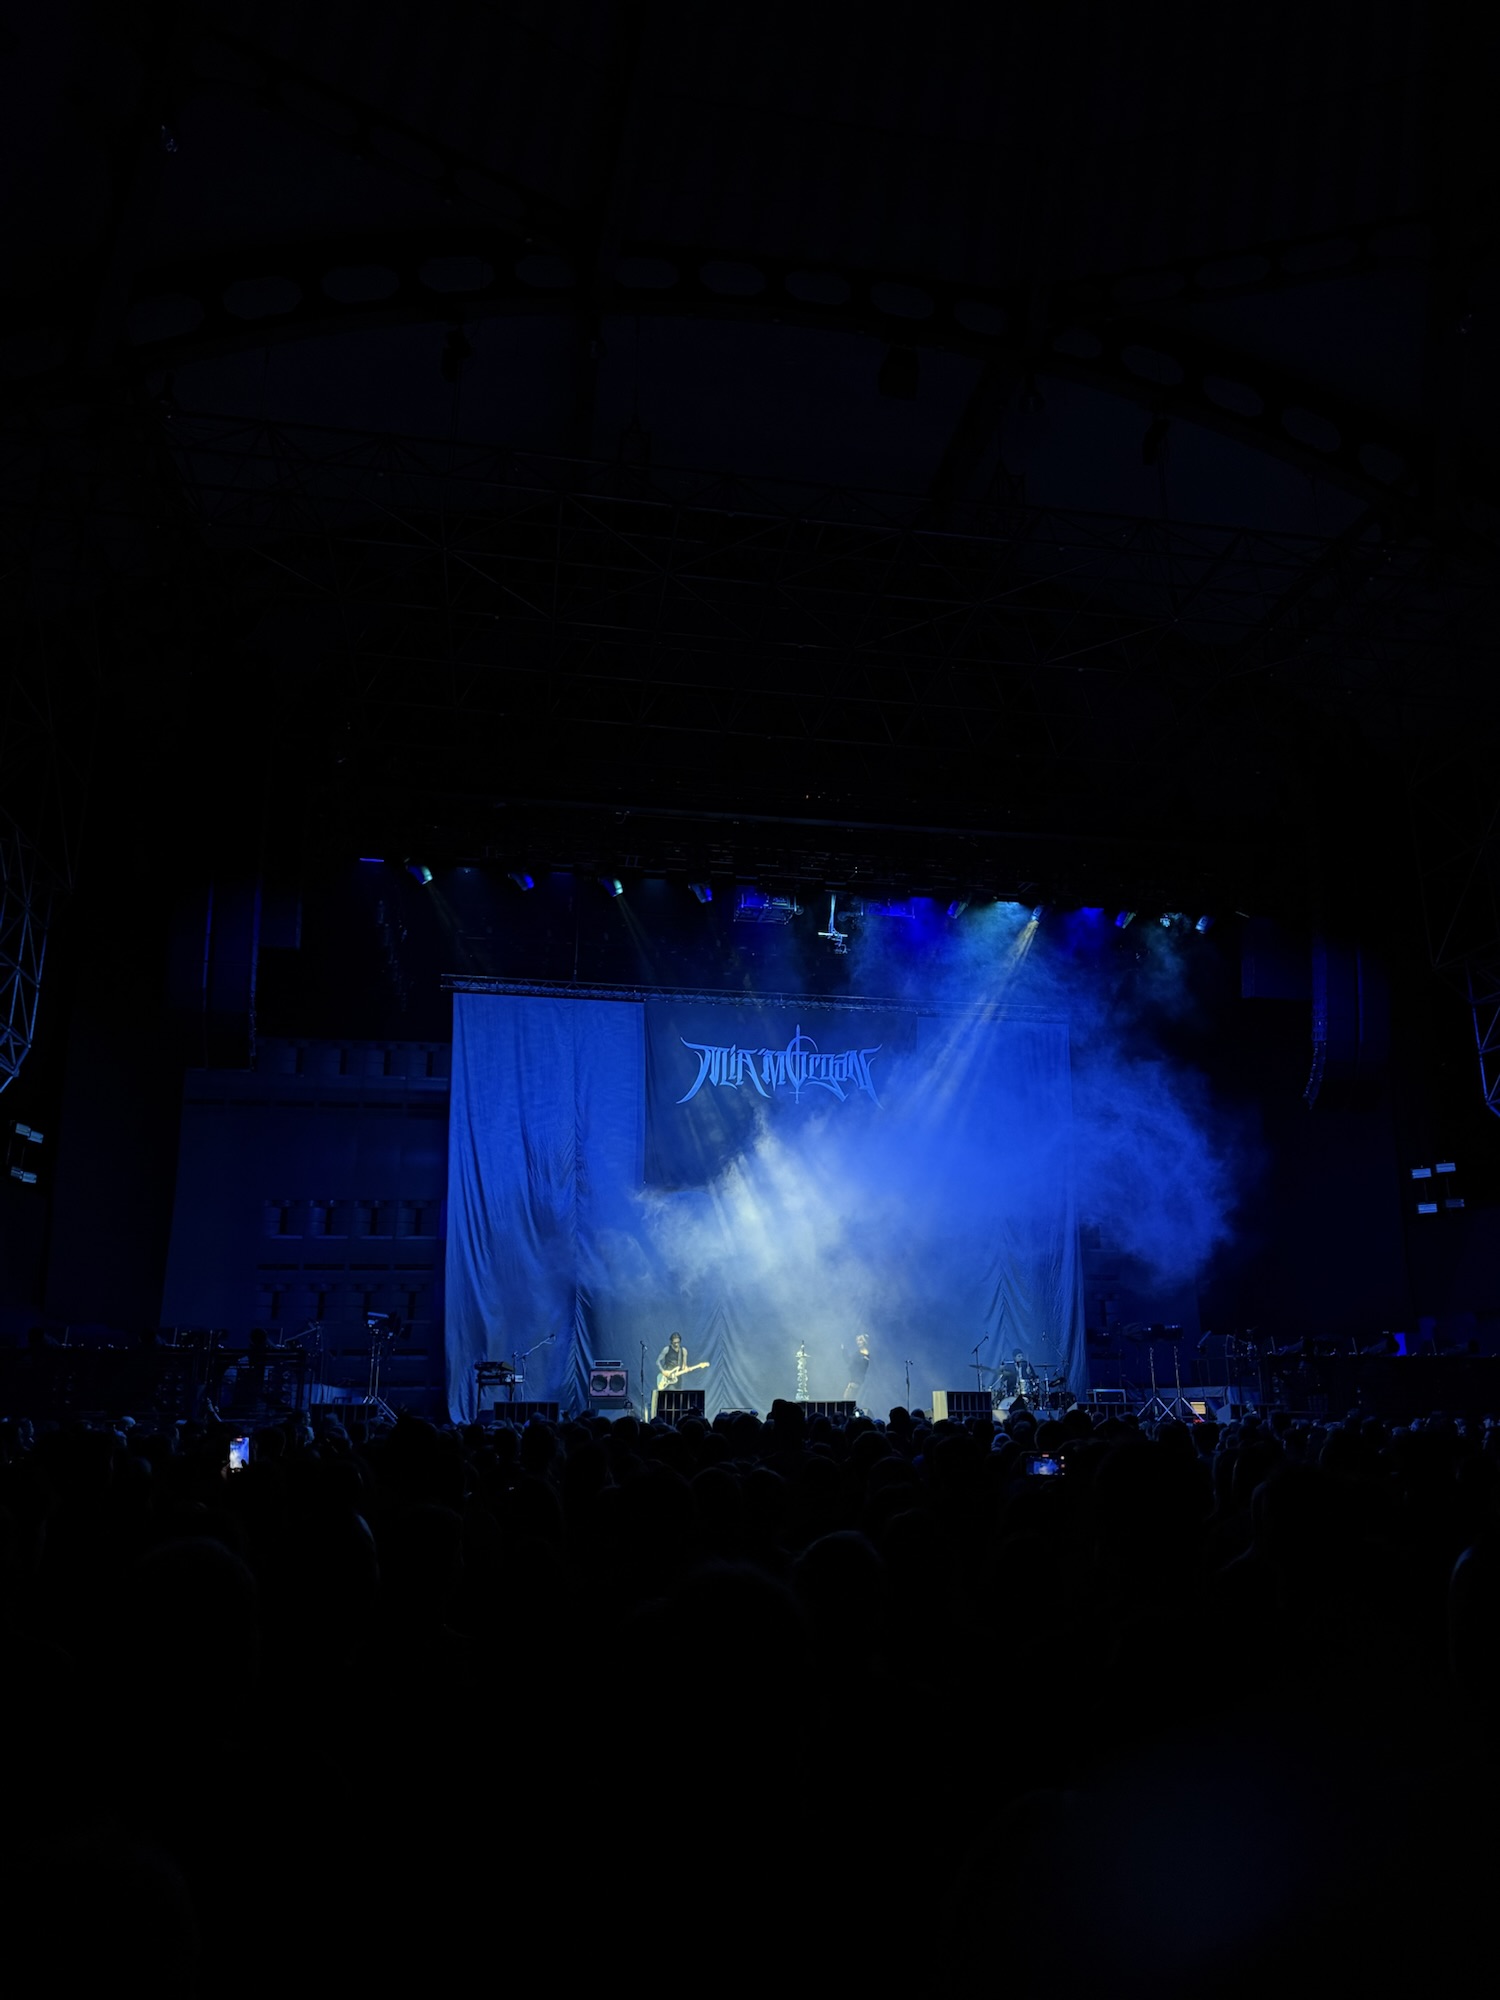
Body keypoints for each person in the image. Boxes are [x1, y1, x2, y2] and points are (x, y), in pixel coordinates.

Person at [843, 1330, 871, 1406]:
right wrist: (844, 1351)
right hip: (854, 1380)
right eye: (857, 1340)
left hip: (856, 1381)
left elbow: (859, 1369)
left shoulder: (864, 1355)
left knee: (848, 1400)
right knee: (847, 1400)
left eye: (860, 1340)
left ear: (864, 1341)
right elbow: (849, 1362)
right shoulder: (859, 1353)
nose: (858, 1342)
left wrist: (854, 1384)